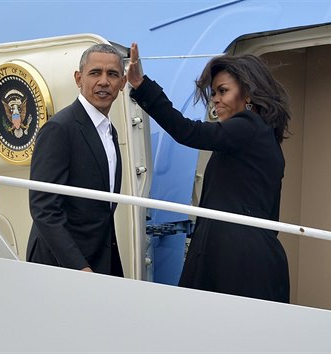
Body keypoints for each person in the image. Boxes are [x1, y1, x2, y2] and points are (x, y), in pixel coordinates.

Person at [127, 43, 291, 302]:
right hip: (256, 257)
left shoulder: (246, 126)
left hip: (233, 258)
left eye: (223, 91)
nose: (215, 99)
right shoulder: (265, 139)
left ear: (247, 94)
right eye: (214, 92)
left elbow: (187, 131)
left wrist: (141, 85)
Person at [26, 43, 126, 276]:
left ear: (122, 83)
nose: (104, 81)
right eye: (95, 73)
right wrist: (78, 266)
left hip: (99, 262)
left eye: (112, 74)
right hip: (60, 266)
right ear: (78, 78)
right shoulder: (60, 128)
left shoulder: (109, 132)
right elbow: (44, 208)